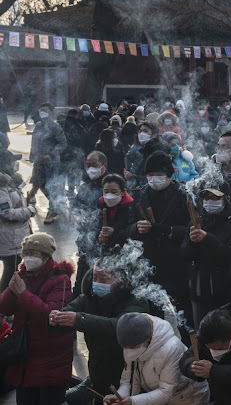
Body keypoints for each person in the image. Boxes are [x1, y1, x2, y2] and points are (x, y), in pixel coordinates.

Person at [49, 261, 150, 404]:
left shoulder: (136, 301)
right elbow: (68, 316)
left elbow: (120, 326)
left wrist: (79, 319)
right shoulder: (88, 298)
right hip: (98, 370)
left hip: (128, 374)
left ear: (120, 280)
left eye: (103, 278)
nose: (97, 283)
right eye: (94, 277)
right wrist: (57, 318)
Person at [0, 233, 74, 405]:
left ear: (46, 256)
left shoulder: (60, 280)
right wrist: (11, 292)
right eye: (26, 253)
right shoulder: (22, 275)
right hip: (24, 355)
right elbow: (4, 309)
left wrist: (23, 294)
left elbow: (51, 314)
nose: (28, 258)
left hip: (50, 356)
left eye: (34, 253)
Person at [127, 151, 192, 322]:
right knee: (152, 317)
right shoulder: (139, 195)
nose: (154, 179)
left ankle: (190, 346)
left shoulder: (183, 195)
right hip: (149, 264)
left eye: (159, 175)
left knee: (184, 316)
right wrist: (136, 228)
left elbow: (190, 230)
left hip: (177, 264)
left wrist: (163, 229)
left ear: (169, 175)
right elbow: (128, 226)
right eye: (150, 175)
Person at [105, 313, 208, 405]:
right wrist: (119, 397)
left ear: (146, 340)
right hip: (161, 398)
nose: (128, 351)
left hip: (189, 398)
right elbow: (129, 381)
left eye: (132, 347)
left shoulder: (171, 348)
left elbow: (166, 392)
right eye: (125, 347)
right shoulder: (131, 342)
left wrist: (133, 401)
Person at [181, 185, 231, 326]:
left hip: (226, 294)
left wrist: (208, 239)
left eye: (215, 198)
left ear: (226, 199)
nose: (209, 202)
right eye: (206, 198)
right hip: (200, 291)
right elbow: (184, 254)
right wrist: (192, 242)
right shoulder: (196, 222)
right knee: (202, 335)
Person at [28, 102, 67, 223]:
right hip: (38, 161)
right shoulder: (38, 125)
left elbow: (62, 143)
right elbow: (34, 141)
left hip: (51, 162)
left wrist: (51, 154)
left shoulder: (55, 127)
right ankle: (57, 205)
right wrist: (31, 154)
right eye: (40, 110)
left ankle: (52, 210)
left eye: (44, 110)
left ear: (50, 112)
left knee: (52, 186)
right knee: (41, 184)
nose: (41, 112)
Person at [0, 170, 35, 291]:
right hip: (8, 236)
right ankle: (4, 301)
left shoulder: (11, 181)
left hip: (15, 234)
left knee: (13, 267)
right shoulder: (2, 186)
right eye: (11, 162)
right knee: (11, 269)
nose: (15, 164)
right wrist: (29, 211)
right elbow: (6, 212)